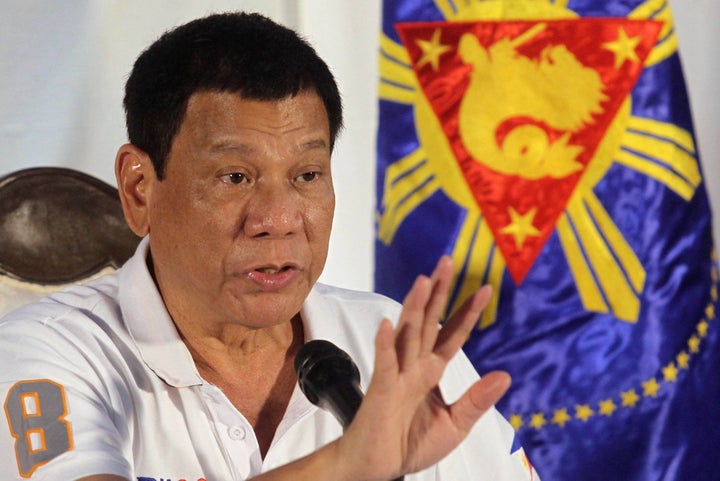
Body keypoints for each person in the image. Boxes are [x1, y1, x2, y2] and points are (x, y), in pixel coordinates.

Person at [0, 12, 535, 481]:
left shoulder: (393, 351)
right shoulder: (40, 352)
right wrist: (347, 464)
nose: (278, 220)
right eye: (235, 176)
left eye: (306, 174)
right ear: (140, 189)